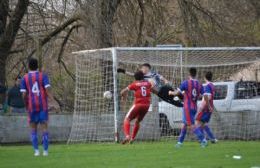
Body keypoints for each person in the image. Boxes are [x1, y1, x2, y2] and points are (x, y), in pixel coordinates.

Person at [20, 58, 54, 156]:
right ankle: (46, 151)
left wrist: (26, 104)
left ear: (28, 66)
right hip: (42, 106)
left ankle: (36, 151)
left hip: (32, 106)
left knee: (33, 129)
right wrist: (53, 102)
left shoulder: (25, 78)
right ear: (37, 66)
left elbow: (24, 95)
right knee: (44, 128)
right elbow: (47, 90)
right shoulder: (43, 76)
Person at [169, 68, 207, 147]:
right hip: (194, 107)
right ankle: (179, 143)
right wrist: (208, 104)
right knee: (184, 124)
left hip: (187, 107)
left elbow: (177, 93)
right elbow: (205, 95)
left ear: (189, 75)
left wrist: (171, 92)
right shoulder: (199, 84)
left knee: (191, 125)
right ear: (195, 74)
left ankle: (203, 140)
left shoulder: (186, 83)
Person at [118, 63, 183, 107]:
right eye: (141, 68)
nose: (142, 69)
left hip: (163, 89)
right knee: (172, 101)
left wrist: (166, 81)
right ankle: (184, 104)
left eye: (143, 68)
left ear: (147, 68)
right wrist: (123, 71)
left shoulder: (153, 74)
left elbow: (161, 77)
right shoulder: (141, 76)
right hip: (159, 93)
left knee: (175, 94)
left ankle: (185, 99)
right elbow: (132, 74)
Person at [120, 71, 153, 144]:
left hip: (138, 104)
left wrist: (123, 98)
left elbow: (122, 92)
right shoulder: (148, 84)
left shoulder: (134, 84)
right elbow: (152, 87)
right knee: (137, 121)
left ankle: (127, 136)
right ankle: (132, 138)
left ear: (135, 78)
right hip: (147, 105)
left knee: (127, 119)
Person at [196, 71, 217, 143]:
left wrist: (202, 106)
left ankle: (202, 139)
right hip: (209, 107)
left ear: (205, 77)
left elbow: (208, 97)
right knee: (203, 123)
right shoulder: (212, 85)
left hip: (205, 108)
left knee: (197, 122)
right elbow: (208, 96)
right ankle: (212, 139)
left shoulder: (207, 86)